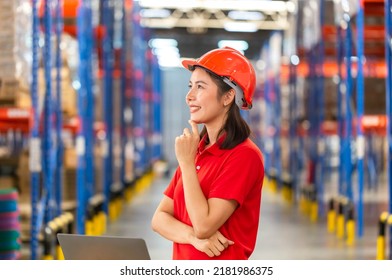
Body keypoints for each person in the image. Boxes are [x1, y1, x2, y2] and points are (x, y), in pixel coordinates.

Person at [151, 46, 264, 260]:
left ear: (228, 96)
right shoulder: (196, 150)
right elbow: (159, 219)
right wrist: (192, 238)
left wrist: (185, 163)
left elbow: (204, 224)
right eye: (190, 86)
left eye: (200, 87)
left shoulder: (244, 156)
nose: (189, 96)